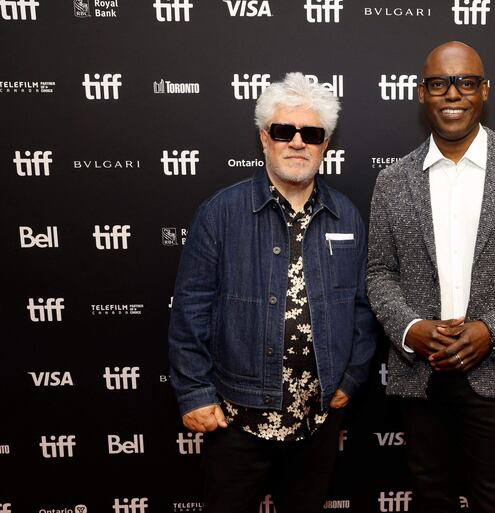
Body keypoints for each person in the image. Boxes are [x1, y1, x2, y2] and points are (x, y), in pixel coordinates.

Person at [366, 42, 495, 512]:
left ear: (484, 90)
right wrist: (409, 330)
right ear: (422, 94)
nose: (452, 94)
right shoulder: (393, 180)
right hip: (420, 372)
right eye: (439, 83)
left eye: (465, 82)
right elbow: (380, 272)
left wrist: (491, 332)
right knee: (428, 497)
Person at [168, 72, 377, 513]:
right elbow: (191, 308)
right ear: (265, 139)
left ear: (325, 145)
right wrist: (195, 393)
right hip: (237, 422)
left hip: (316, 423)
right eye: (284, 131)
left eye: (311, 133)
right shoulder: (221, 212)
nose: (297, 142)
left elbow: (363, 308)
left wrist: (353, 378)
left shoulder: (346, 217)